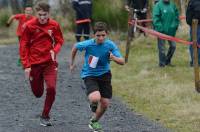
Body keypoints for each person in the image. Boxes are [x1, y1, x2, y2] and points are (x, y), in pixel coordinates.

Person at [70, 21, 125, 131]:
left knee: (105, 103)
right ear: (93, 35)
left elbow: (122, 61)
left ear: (107, 34)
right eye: (98, 35)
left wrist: (114, 58)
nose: (100, 38)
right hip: (90, 74)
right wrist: (72, 63)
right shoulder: (88, 44)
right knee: (95, 98)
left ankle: (94, 121)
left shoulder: (110, 45)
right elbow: (75, 47)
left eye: (103, 35)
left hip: (105, 75)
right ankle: (93, 103)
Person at [19, 2, 64, 126]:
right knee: (38, 93)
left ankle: (45, 115)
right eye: (40, 15)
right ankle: (36, 81)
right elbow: (23, 46)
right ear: (36, 14)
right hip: (34, 64)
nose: (42, 17)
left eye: (45, 15)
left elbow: (60, 41)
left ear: (49, 13)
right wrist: (26, 65)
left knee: (51, 88)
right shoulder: (29, 26)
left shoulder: (54, 25)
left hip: (50, 63)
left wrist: (54, 51)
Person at [153, 0, 179, 67]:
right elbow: (156, 18)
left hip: (171, 32)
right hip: (161, 31)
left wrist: (174, 26)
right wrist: (160, 29)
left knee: (173, 46)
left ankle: (167, 61)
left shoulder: (172, 4)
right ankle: (162, 64)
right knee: (162, 49)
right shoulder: (158, 5)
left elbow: (176, 16)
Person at [186, 0, 200, 66]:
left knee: (195, 44)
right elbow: (189, 14)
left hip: (195, 25)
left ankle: (196, 61)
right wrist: (191, 23)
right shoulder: (193, 1)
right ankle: (194, 61)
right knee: (194, 44)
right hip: (195, 25)